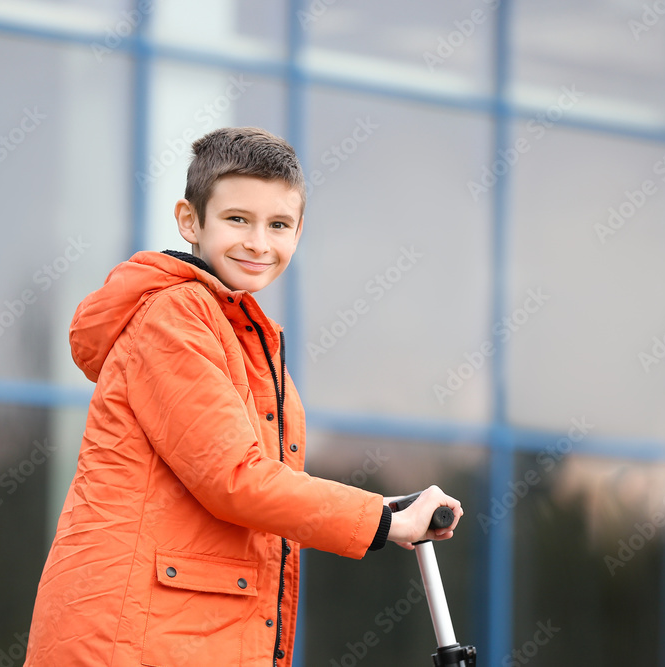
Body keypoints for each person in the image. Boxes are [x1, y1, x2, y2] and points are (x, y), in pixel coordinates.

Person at [24, 127, 463, 666]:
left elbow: (257, 482)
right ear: (190, 220)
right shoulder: (175, 318)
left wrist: (386, 511)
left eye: (278, 225)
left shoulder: (241, 331)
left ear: (298, 232)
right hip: (129, 639)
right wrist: (382, 521)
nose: (258, 243)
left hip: (179, 632)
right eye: (238, 219)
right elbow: (236, 478)